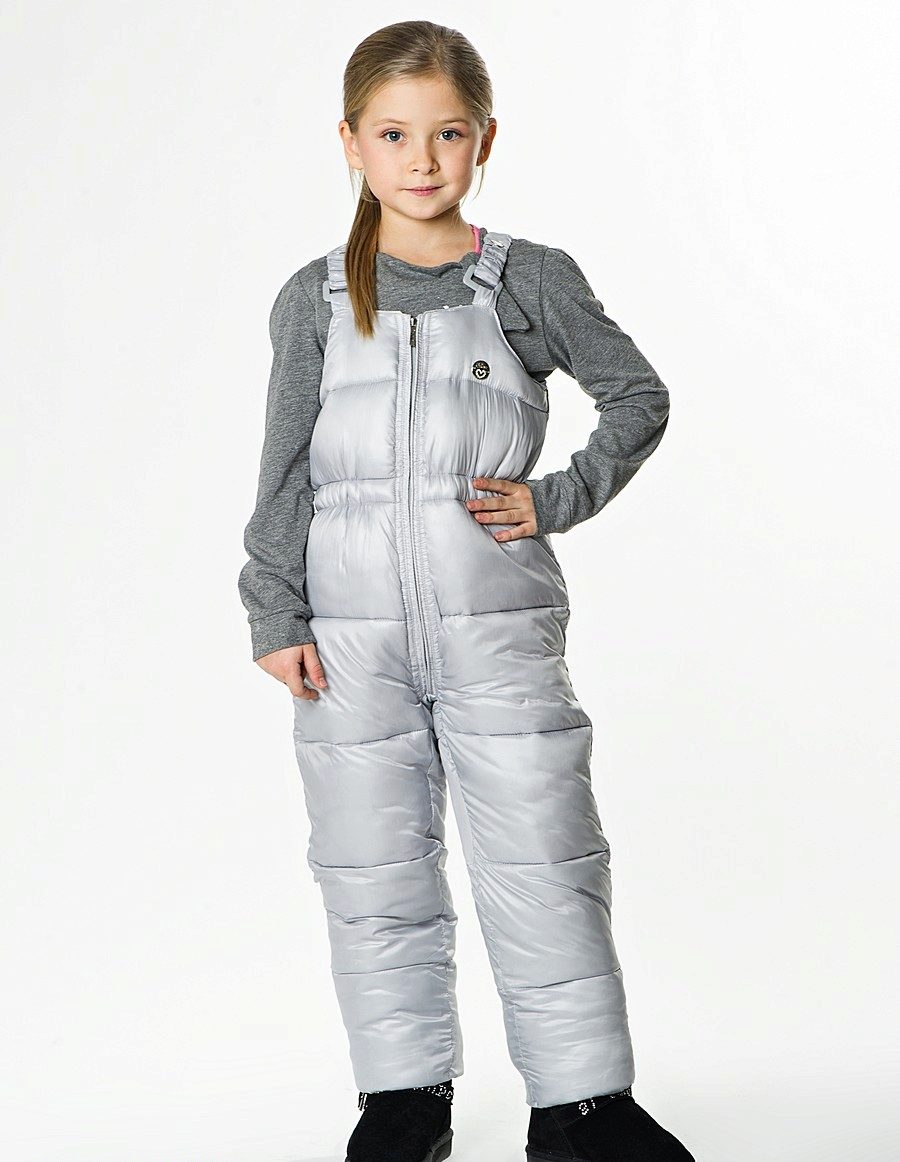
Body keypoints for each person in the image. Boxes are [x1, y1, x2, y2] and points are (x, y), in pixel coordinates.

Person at [238, 19, 694, 1162]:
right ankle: (403, 1100)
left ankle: (583, 1107)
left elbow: (636, 396)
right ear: (351, 142)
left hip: (499, 628)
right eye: (394, 134)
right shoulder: (311, 298)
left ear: (485, 140)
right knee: (371, 866)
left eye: (448, 133)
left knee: (545, 854)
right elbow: (285, 466)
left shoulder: (529, 279)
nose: (423, 158)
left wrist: (556, 497)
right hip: (349, 644)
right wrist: (274, 609)